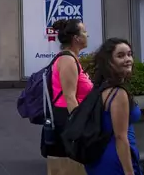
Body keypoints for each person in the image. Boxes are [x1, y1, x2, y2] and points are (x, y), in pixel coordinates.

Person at [85, 38, 143, 175]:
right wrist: (129, 172)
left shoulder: (102, 87)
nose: (128, 59)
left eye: (129, 54)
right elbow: (120, 137)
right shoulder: (118, 93)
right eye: (120, 56)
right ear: (109, 62)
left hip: (101, 157)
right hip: (116, 160)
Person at [44, 18, 94, 175]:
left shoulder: (71, 58)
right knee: (68, 167)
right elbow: (69, 96)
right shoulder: (67, 60)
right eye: (84, 32)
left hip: (69, 115)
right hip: (66, 117)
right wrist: (78, 126)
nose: (87, 35)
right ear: (76, 38)